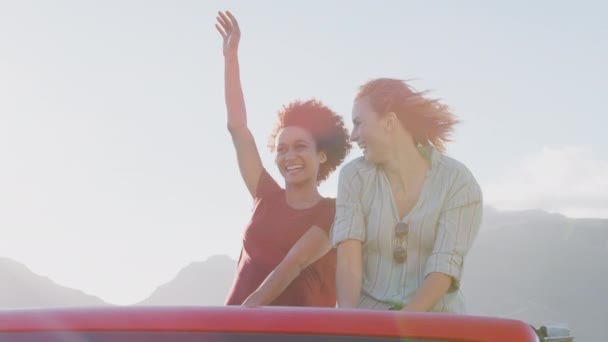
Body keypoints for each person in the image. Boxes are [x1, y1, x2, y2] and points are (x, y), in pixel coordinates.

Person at [215, 11, 351, 307]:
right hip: (234, 331)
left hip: (292, 333)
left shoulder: (334, 213)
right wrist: (231, 60)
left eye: (300, 146)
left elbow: (295, 263)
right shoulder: (265, 196)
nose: (289, 156)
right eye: (281, 148)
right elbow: (237, 128)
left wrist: (243, 314)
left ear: (322, 154)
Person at [331, 78, 482, 313]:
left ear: (389, 122)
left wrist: (401, 328)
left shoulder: (458, 181)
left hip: (436, 327)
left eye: (359, 123)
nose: (353, 135)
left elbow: (444, 267)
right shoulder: (354, 177)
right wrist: (349, 326)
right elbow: (348, 262)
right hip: (369, 328)